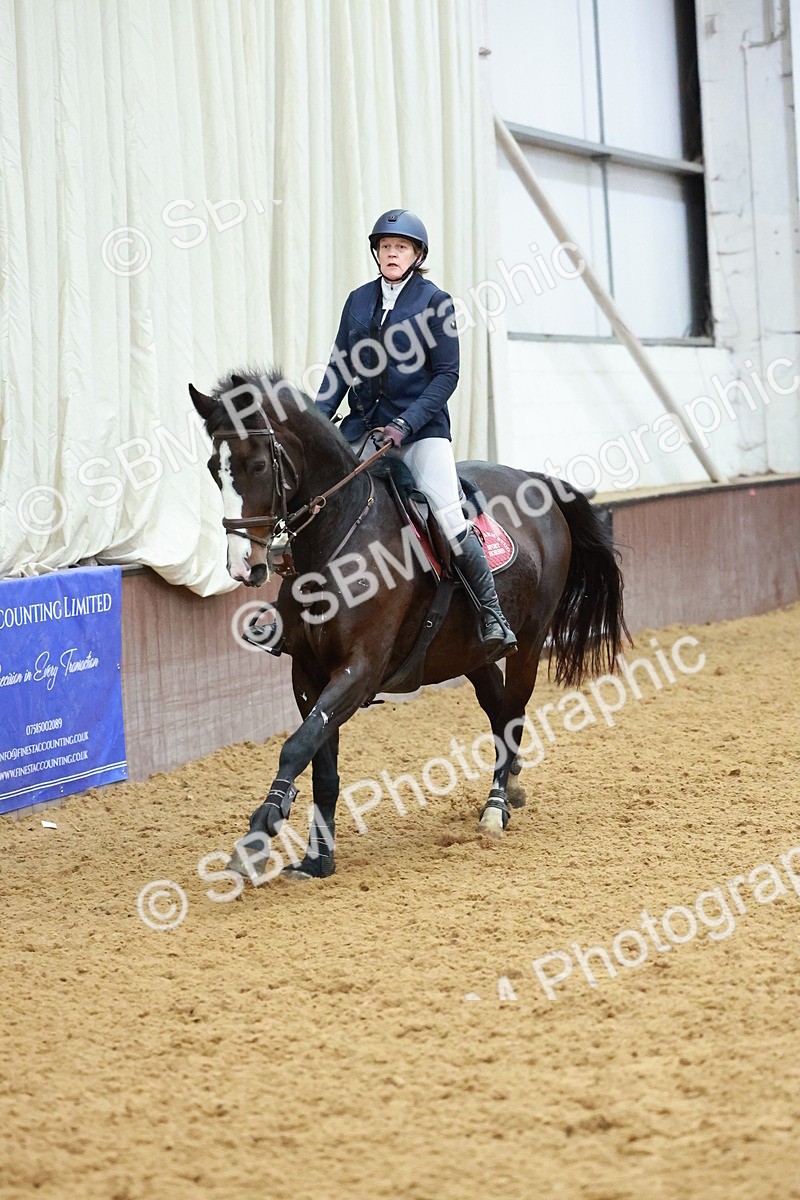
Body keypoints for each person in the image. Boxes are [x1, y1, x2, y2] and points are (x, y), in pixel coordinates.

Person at [314, 208, 517, 662]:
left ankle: (491, 613)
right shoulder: (357, 301)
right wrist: (316, 422)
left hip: (421, 431)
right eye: (385, 247)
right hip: (364, 427)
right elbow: (340, 368)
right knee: (318, 499)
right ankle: (291, 615)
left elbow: (447, 375)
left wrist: (407, 423)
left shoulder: (434, 302)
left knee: (447, 513)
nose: (392, 253)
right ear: (376, 252)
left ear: (416, 254)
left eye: (401, 247)